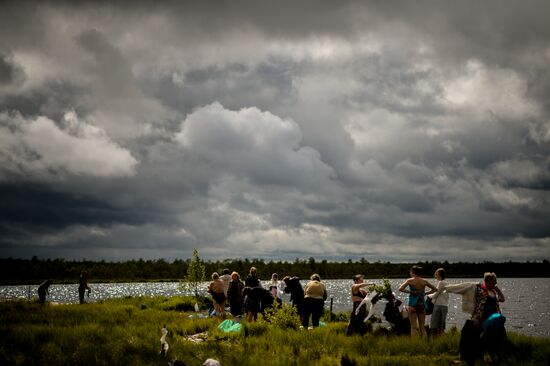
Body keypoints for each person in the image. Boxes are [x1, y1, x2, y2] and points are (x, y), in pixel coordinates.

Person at [446, 272, 506, 364]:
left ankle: (495, 357)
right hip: (481, 317)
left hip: (492, 319)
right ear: (488, 281)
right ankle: (474, 356)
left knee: (493, 338)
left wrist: (497, 289)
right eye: (494, 282)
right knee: (476, 336)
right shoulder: (480, 289)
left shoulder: (493, 291)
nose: (495, 283)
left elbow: (502, 299)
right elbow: (465, 288)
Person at [398, 265, 437, 337]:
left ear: (412, 272)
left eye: (410, 271)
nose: (410, 273)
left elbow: (400, 288)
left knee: (413, 327)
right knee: (422, 327)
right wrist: (425, 293)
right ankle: (424, 343)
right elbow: (435, 289)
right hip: (422, 304)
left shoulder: (410, 280)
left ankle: (415, 343)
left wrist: (411, 292)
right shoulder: (424, 281)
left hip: (412, 305)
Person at [428, 268, 449, 336]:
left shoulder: (441, 282)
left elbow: (436, 293)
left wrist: (427, 295)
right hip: (445, 306)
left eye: (436, 274)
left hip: (439, 306)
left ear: (440, 275)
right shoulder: (446, 283)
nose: (435, 275)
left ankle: (436, 339)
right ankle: (441, 339)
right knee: (442, 325)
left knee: (434, 324)